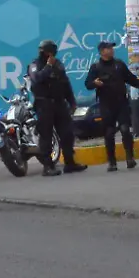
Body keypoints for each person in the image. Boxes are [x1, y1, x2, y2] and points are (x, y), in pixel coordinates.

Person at [28, 40, 87, 176]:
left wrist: (72, 102)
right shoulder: (35, 65)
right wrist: (48, 66)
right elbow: (37, 78)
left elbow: (65, 83)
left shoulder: (58, 64)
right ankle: (47, 166)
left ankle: (70, 163)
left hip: (60, 104)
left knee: (67, 133)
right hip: (44, 104)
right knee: (46, 136)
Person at [85, 42, 139, 171]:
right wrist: (95, 83)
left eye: (112, 48)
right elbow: (88, 84)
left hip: (121, 102)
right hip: (106, 104)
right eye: (108, 48)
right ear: (102, 51)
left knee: (125, 129)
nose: (112, 50)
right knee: (109, 132)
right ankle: (112, 162)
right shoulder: (96, 67)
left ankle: (130, 158)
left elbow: (129, 78)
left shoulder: (119, 64)